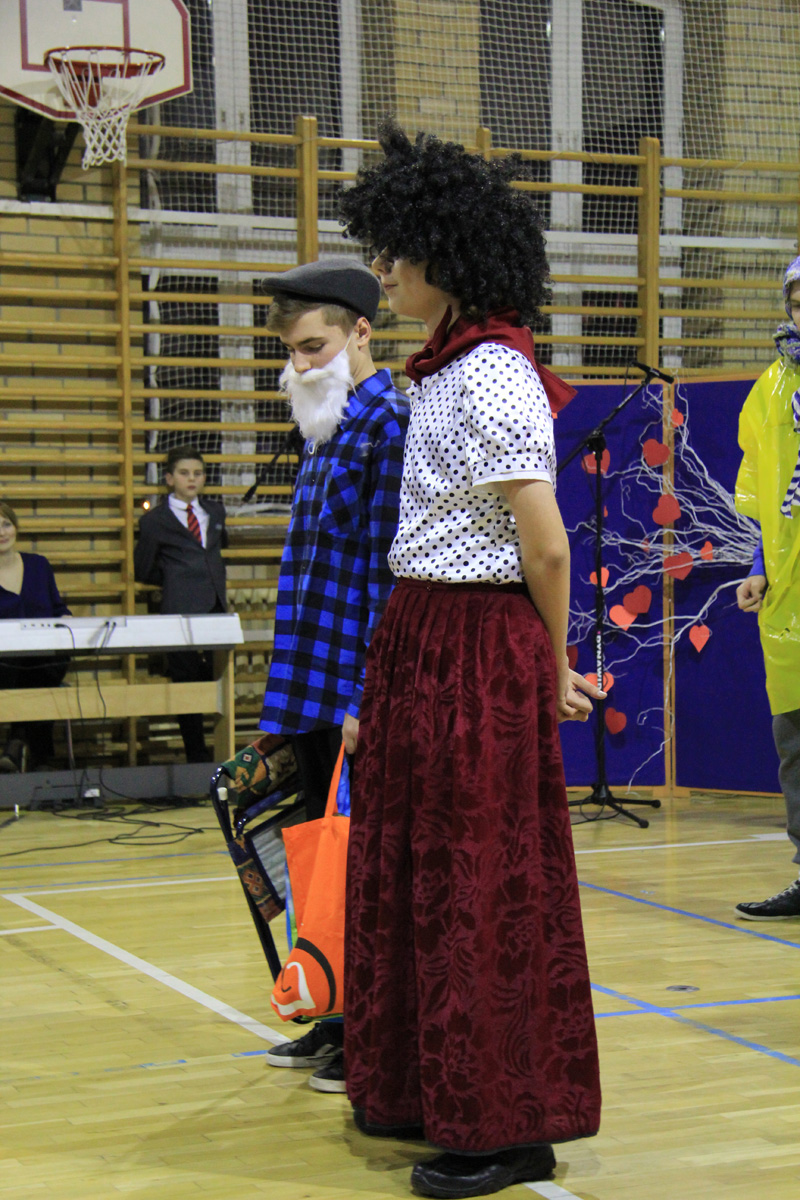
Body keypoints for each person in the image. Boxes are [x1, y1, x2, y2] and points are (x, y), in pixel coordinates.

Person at [337, 122, 603, 1199]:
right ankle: (422, 1087)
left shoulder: (493, 371)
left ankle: (507, 1123)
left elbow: (546, 545)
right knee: (415, 869)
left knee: (479, 880)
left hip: (476, 643)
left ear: (444, 254)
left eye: (395, 251)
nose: (383, 269)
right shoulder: (441, 370)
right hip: (422, 634)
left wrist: (551, 663)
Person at [257, 258, 408, 1093]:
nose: (301, 364)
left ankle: (366, 1034)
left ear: (361, 333)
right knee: (320, 863)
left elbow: (389, 577)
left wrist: (364, 698)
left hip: (351, 691)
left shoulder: (387, 423)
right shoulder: (323, 426)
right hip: (310, 687)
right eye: (292, 351)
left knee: (361, 869)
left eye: (314, 347)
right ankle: (332, 1012)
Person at [734, 255, 800, 921]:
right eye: (798, 302)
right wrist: (758, 564)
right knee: (796, 741)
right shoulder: (773, 389)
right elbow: (768, 494)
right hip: (789, 597)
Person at [133, 446, 227, 763]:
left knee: (217, 680)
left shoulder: (215, 512)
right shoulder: (155, 521)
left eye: (198, 473)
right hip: (179, 610)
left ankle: (221, 749)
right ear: (170, 478)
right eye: (184, 473)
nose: (192, 479)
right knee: (186, 682)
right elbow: (143, 568)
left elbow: (215, 553)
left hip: (215, 607)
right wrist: (175, 579)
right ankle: (195, 753)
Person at [0, 500, 71, 772]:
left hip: (44, 656)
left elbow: (58, 608)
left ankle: (17, 741)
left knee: (41, 667)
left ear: (16, 527)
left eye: (6, 524)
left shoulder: (39, 566)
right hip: (4, 661)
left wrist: (67, 619)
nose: (2, 532)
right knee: (25, 671)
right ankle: (40, 756)